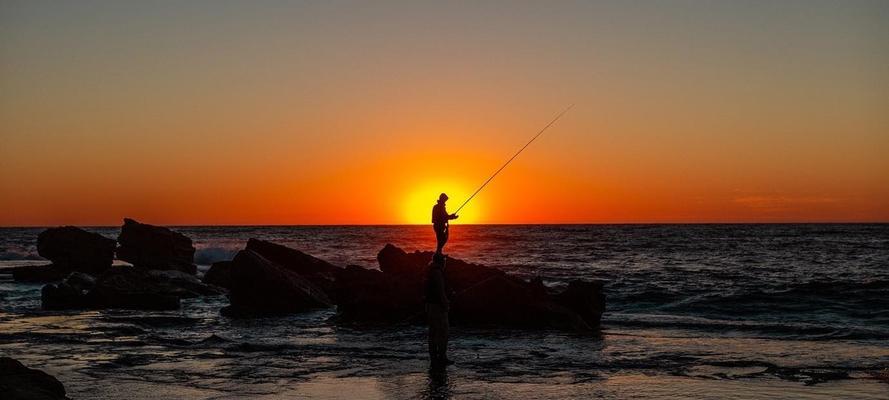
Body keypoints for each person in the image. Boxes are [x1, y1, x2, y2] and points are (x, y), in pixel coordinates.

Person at [425, 253, 452, 368]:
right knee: (443, 333)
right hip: (437, 307)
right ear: (441, 261)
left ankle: (434, 359)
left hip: (430, 306)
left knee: (433, 333)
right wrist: (446, 304)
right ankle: (441, 357)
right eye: (444, 259)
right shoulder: (437, 273)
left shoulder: (430, 271)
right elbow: (440, 292)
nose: (445, 262)